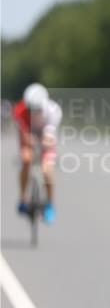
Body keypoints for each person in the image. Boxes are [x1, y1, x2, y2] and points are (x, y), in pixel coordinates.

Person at [14, 83, 62, 223]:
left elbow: (49, 138)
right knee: (26, 159)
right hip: (28, 132)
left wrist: (43, 143)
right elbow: (24, 134)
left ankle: (50, 204)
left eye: (37, 109)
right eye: (31, 109)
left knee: (47, 170)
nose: (34, 112)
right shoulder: (20, 110)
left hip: (45, 135)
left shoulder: (54, 111)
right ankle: (23, 199)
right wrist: (29, 141)